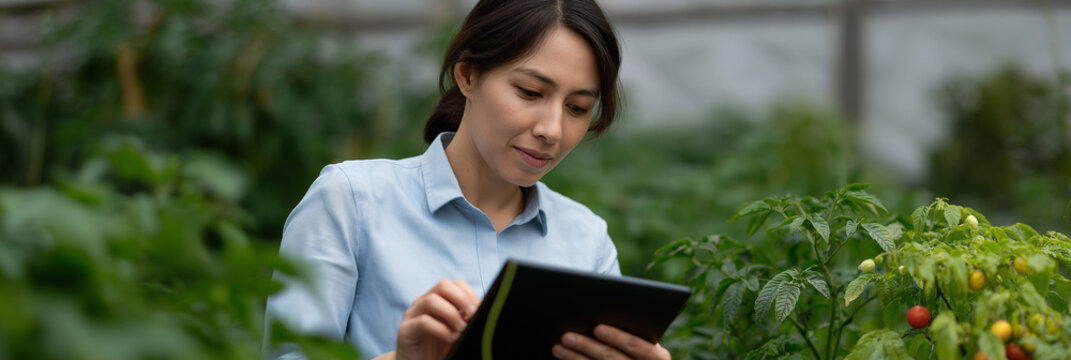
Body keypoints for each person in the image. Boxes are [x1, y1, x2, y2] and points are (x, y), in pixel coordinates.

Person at [264, 0, 671, 359]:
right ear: (468, 76)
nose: (553, 129)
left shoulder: (587, 241)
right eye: (530, 92)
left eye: (578, 107)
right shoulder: (351, 201)